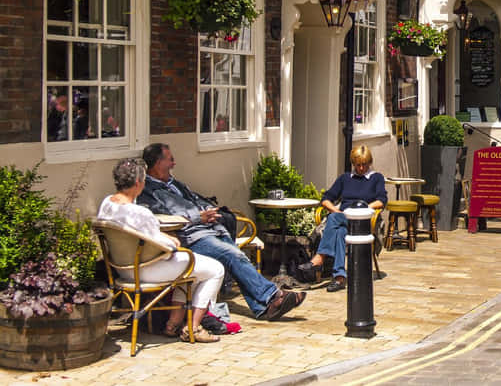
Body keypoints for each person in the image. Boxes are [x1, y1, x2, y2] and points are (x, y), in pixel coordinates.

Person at [137, 143, 304, 320]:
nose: (174, 163)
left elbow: (196, 200)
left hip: (211, 228)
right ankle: (273, 296)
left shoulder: (175, 183)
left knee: (238, 257)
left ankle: (263, 308)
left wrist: (211, 211)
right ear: (158, 163)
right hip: (190, 236)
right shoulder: (148, 190)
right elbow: (160, 217)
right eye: (170, 159)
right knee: (233, 255)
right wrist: (198, 217)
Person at [98, 157, 225, 343]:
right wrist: (172, 240)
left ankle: (173, 324)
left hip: (121, 269)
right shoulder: (140, 213)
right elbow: (165, 248)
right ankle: (194, 328)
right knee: (215, 269)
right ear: (138, 183)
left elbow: (148, 238)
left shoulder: (107, 204)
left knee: (192, 270)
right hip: (146, 270)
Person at [298, 146, 387, 292]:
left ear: (370, 162)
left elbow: (382, 200)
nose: (361, 168)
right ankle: (339, 277)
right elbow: (326, 199)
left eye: (364, 164)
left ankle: (320, 258)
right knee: (339, 232)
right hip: (344, 220)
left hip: (364, 220)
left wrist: (362, 209)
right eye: (358, 165)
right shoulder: (345, 178)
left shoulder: (376, 178)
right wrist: (337, 211)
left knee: (334, 219)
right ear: (353, 163)